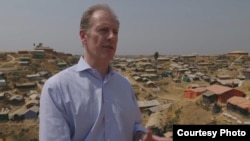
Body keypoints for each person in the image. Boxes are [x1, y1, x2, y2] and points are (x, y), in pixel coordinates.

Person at [39, 3, 172, 141]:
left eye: (115, 32)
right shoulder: (57, 89)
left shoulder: (124, 85)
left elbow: (133, 126)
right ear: (84, 36)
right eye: (103, 30)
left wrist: (142, 136)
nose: (111, 37)